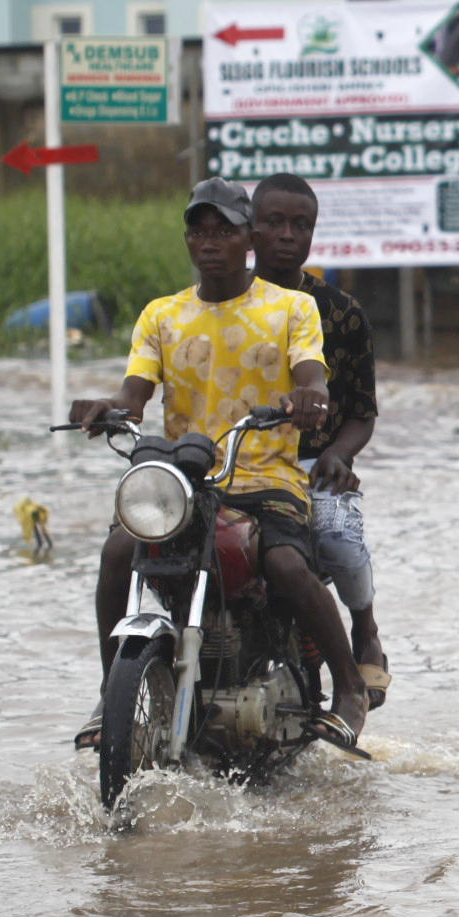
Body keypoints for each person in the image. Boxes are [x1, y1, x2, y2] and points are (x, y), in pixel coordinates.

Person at [68, 179, 371, 750]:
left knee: (283, 564)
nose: (209, 242)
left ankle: (349, 686)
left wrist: (308, 399)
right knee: (115, 551)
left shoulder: (291, 308)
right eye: (198, 230)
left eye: (223, 231)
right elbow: (135, 397)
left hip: (267, 477)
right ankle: (113, 690)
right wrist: (106, 409)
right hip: (185, 481)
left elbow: (312, 375)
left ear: (247, 239)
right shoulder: (161, 315)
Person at [248, 173, 391, 711]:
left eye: (301, 225)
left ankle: (366, 629)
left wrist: (337, 453)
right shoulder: (218, 304)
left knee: (337, 538)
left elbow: (362, 412)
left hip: (313, 465)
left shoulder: (342, 313)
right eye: (274, 222)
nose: (287, 235)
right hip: (235, 462)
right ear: (251, 229)